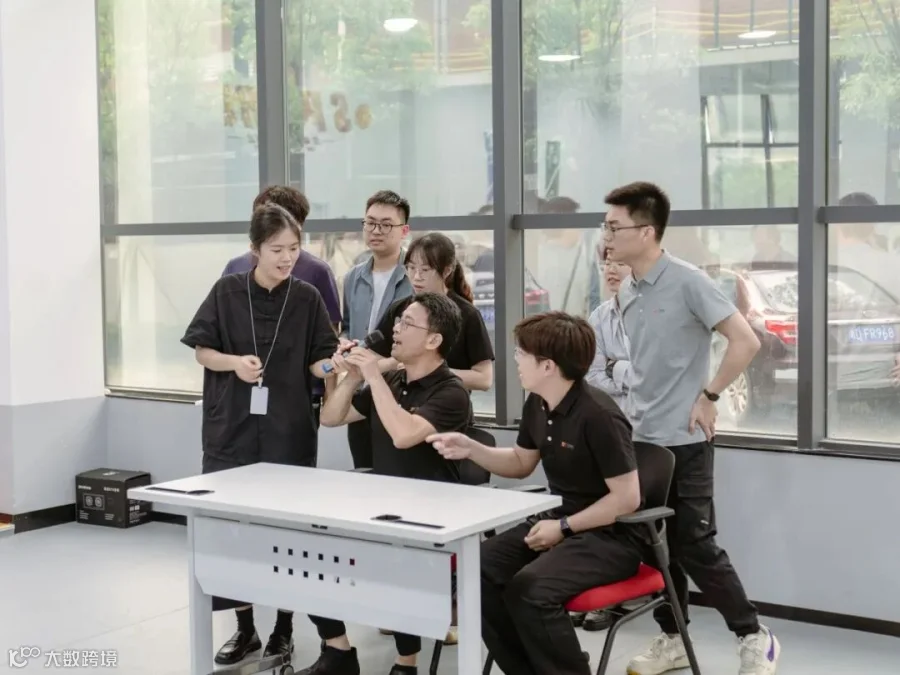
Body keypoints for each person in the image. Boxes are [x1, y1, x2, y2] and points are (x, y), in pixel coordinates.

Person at [602, 181, 778, 675]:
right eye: (606, 227)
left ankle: (754, 635)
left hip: (685, 440)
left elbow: (745, 341)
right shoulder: (628, 290)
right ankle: (673, 639)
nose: (607, 236)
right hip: (641, 438)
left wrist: (711, 395)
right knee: (654, 544)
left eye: (614, 227)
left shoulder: (688, 281)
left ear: (647, 230)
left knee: (694, 543)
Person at [426, 311, 642, 675]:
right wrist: (471, 448)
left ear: (548, 366)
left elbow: (627, 499)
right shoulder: (538, 403)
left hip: (612, 538)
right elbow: (521, 462)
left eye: (520, 353)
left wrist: (564, 527)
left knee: (530, 590)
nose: (515, 360)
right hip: (560, 521)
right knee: (476, 571)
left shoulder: (599, 416)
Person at [181, 203, 339, 666]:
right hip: (230, 428)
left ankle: (283, 629)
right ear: (255, 249)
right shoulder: (227, 291)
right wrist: (235, 363)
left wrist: (336, 365)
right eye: (276, 249)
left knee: (288, 531)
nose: (287, 258)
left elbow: (318, 361)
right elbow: (202, 351)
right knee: (231, 531)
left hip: (288, 430)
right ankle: (245, 627)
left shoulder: (307, 297)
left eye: (294, 248)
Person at [301, 292, 472, 675]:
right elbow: (330, 418)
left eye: (407, 323)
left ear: (434, 339)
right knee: (308, 549)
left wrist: (374, 376)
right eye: (397, 321)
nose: (396, 329)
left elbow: (403, 434)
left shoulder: (451, 391)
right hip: (382, 505)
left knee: (397, 559)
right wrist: (350, 376)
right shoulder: (393, 380)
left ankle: (405, 663)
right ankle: (338, 649)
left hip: (430, 517)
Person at [222, 185, 342, 427]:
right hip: (241, 391)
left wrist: (331, 393)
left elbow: (329, 337)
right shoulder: (235, 269)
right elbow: (217, 334)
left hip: (300, 393)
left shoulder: (317, 272)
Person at [564, 245, 634, 634]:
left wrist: (614, 367)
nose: (611, 269)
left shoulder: (650, 318)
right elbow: (590, 377)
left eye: (620, 261)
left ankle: (619, 596)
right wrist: (622, 370)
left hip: (647, 429)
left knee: (627, 514)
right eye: (606, 262)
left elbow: (649, 379)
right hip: (608, 425)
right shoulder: (598, 316)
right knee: (594, 508)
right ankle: (594, 593)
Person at [340, 190, 414, 470]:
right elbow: (347, 327)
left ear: (404, 230)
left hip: (401, 392)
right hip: (362, 392)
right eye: (370, 223)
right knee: (364, 470)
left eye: (386, 224)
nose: (376, 231)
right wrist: (344, 345)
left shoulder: (414, 277)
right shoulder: (353, 277)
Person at [371, 232, 494, 394]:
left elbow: (484, 379)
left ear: (447, 271)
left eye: (425, 270)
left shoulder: (467, 314)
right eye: (411, 268)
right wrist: (397, 364)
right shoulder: (399, 308)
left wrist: (428, 371)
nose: (416, 277)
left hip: (448, 401)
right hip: (400, 400)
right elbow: (373, 360)